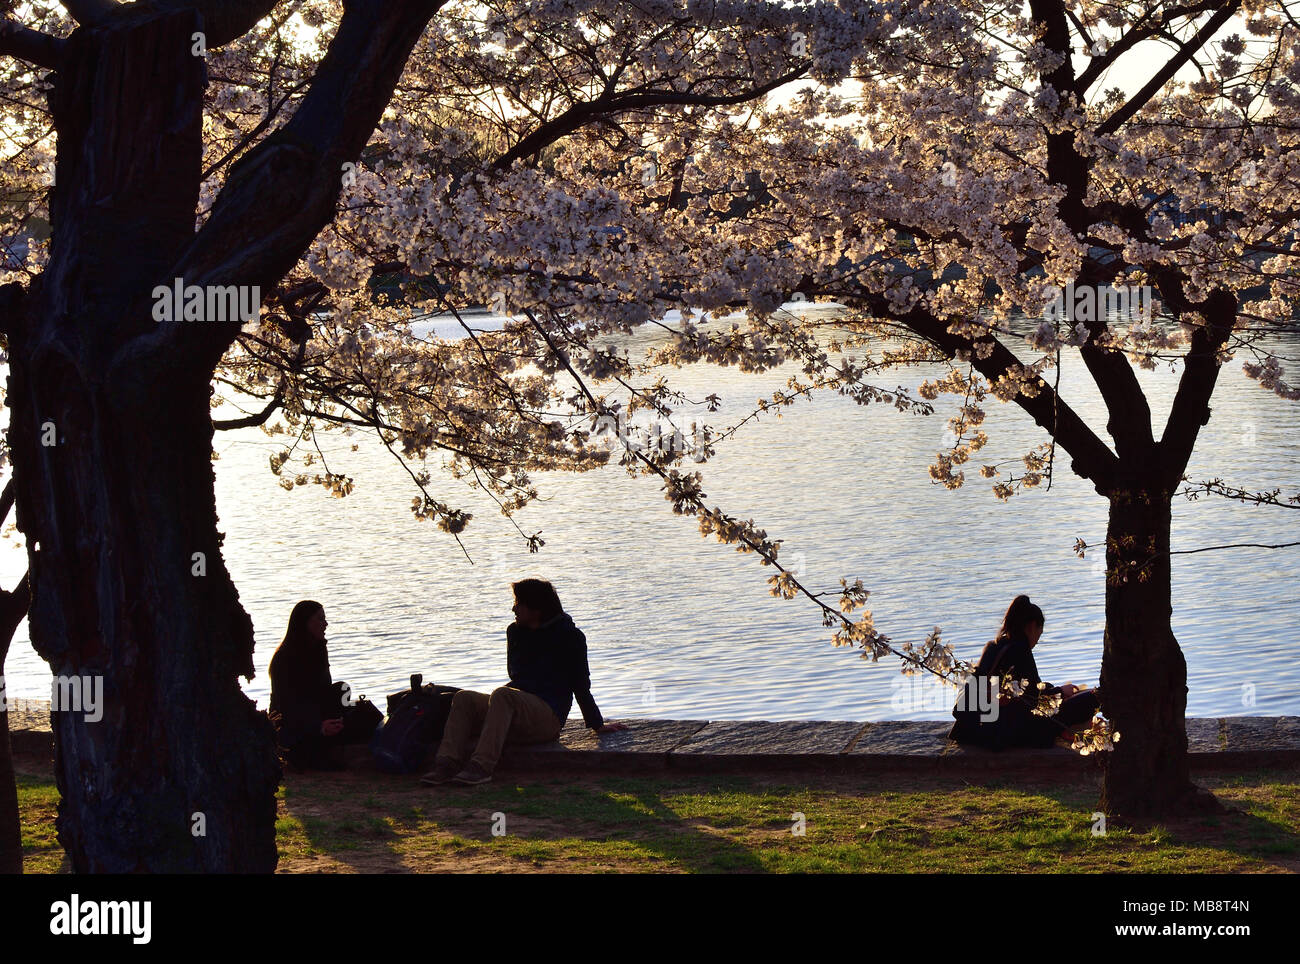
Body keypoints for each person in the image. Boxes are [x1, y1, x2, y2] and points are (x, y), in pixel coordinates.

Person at [421, 579, 627, 786]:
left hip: (547, 717)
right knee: (464, 698)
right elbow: (516, 673)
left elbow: (580, 685)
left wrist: (597, 724)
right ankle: (446, 763)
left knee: (503, 694)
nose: (514, 608)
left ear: (536, 609)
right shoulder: (516, 631)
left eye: (519, 603)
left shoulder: (571, 637)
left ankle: (481, 767)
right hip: (517, 708)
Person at [948, 595, 1099, 750]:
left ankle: (1067, 731)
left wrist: (1054, 690)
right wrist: (1061, 691)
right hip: (1008, 733)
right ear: (1032, 626)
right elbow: (1033, 698)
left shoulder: (993, 646)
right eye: (1039, 634)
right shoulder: (1020, 650)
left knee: (1048, 686)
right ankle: (1071, 733)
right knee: (1093, 697)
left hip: (981, 728)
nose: (1037, 640)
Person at [268, 600, 380, 770]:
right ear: (305, 622)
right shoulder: (284, 659)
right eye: (320, 619)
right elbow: (287, 706)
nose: (326, 624)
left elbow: (323, 692)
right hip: (296, 727)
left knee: (357, 704)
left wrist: (339, 716)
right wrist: (319, 727)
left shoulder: (318, 649)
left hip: (319, 715)